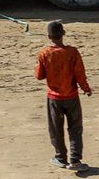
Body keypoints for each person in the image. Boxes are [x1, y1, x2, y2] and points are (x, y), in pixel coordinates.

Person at [35, 20, 92, 171]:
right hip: (71, 97)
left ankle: (60, 158)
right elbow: (80, 74)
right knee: (75, 128)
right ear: (63, 34)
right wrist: (86, 88)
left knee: (56, 129)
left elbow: (39, 76)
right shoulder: (73, 52)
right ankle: (75, 160)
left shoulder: (44, 53)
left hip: (54, 98)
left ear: (49, 36)